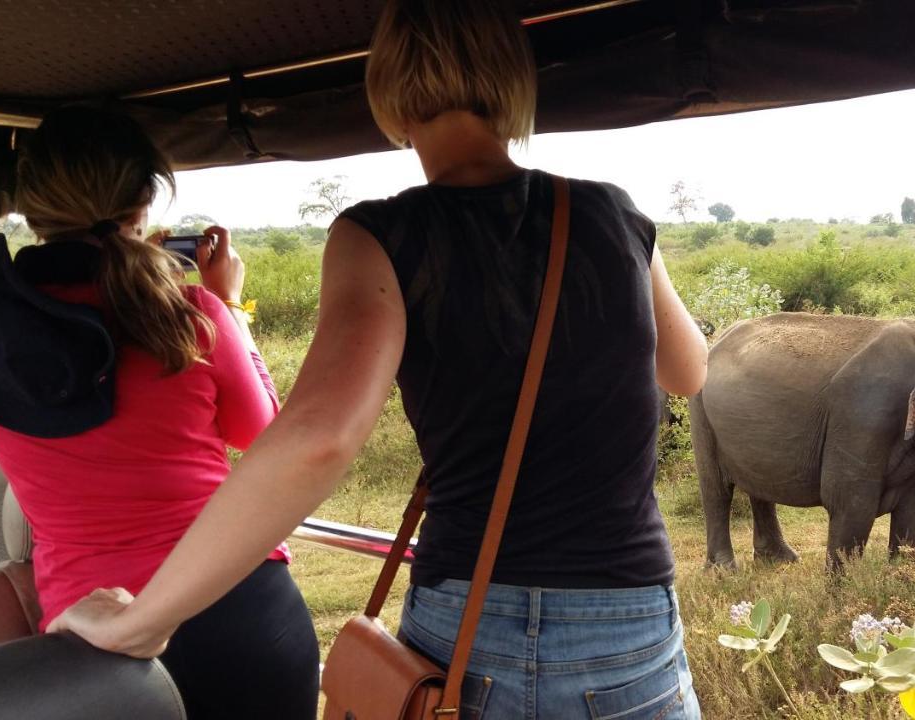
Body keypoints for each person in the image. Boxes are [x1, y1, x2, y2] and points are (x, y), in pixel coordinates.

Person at [51, 1, 710, 718]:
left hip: (471, 619)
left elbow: (320, 436)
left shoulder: (381, 234)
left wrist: (144, 619)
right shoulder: (614, 214)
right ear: (515, 82)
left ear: (388, 91)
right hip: (634, 614)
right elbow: (687, 371)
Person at [0, 106, 319, 720]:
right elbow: (262, 434)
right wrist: (227, 307)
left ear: (34, 206)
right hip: (238, 607)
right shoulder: (190, 312)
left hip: (92, 640)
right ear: (145, 199)